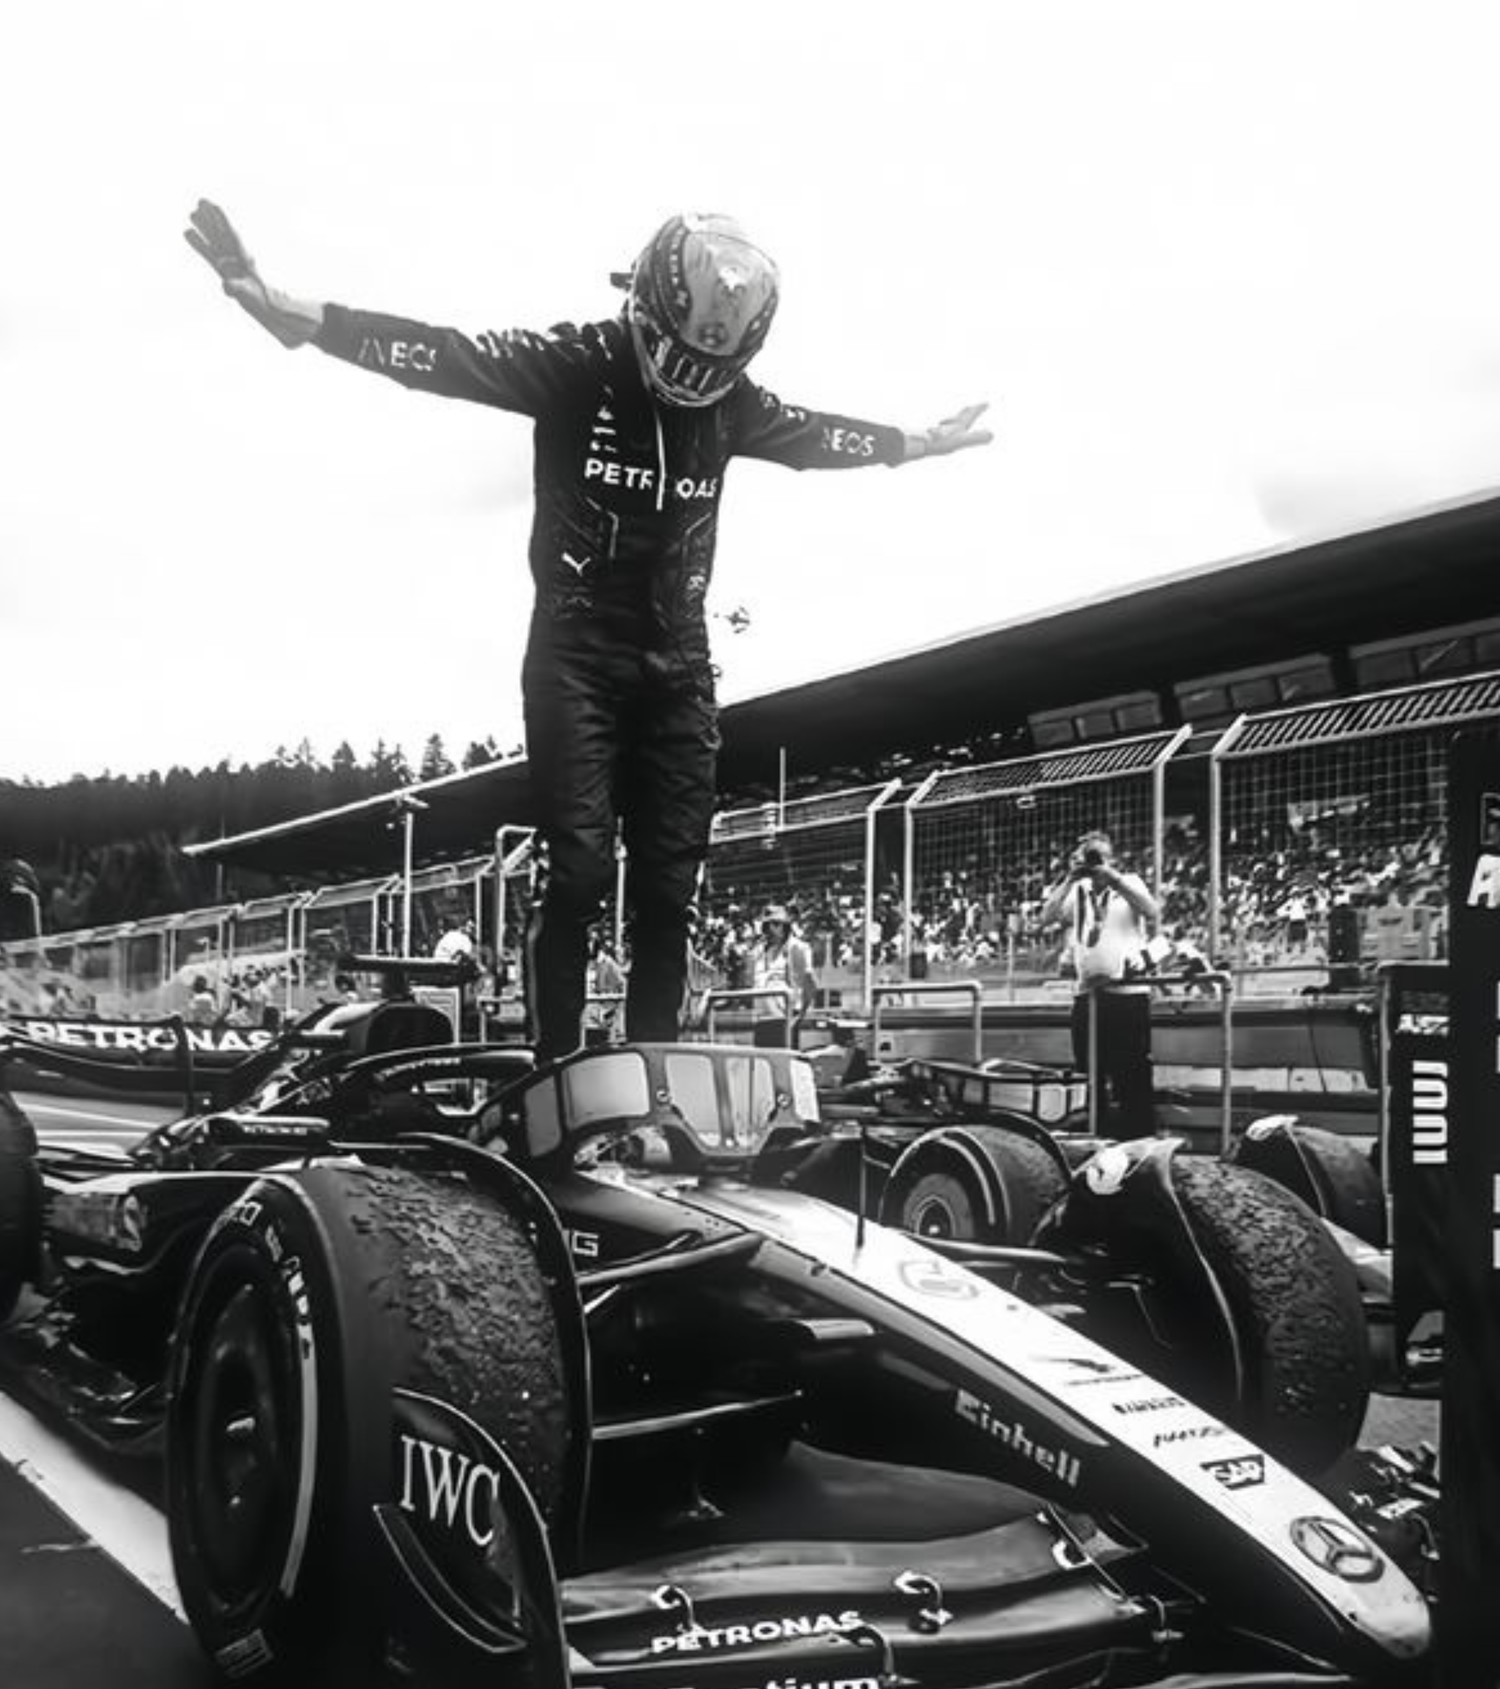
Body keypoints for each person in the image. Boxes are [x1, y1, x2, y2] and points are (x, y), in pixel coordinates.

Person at [185, 201, 992, 1060]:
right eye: (676, 356)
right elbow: (442, 354)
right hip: (576, 654)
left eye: (711, 366)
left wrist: (917, 442)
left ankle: (654, 1071)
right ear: (645, 309)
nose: (691, 378)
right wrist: (298, 317)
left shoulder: (735, 405)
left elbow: (820, 436)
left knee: (669, 887)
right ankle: (556, 1065)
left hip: (679, 663)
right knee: (577, 870)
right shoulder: (576, 364)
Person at [1042, 831, 1160, 1137]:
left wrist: (1114, 879)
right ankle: (1098, 1135)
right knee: (1088, 1071)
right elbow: (1047, 916)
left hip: (1126, 994)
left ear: (1111, 860)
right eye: (1088, 858)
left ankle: (1139, 1137)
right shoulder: (1078, 889)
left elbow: (1152, 911)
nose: (1093, 864)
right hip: (1088, 996)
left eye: (1098, 858)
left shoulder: (1129, 882)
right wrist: (1069, 878)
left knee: (1131, 1071)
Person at [750, 904, 817, 1048]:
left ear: (785, 926)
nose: (771, 929)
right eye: (767, 925)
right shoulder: (759, 951)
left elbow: (810, 982)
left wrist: (801, 1015)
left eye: (776, 924)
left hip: (786, 1018)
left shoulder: (798, 948)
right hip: (762, 1018)